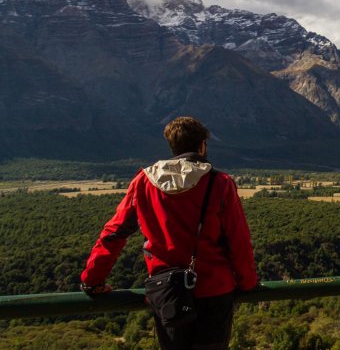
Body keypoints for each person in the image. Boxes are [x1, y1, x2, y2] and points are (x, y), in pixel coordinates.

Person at [81, 116, 258, 349]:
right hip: (214, 292)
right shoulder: (220, 183)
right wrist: (248, 283)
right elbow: (239, 240)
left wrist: (92, 280)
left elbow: (114, 233)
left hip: (167, 293)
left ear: (172, 146)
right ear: (202, 145)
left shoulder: (143, 182)